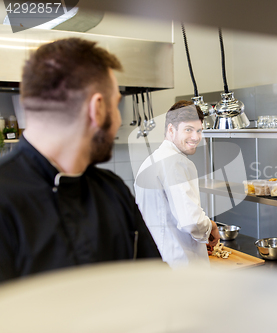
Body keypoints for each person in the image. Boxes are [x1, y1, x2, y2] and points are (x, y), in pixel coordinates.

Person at [0, 38, 161, 283]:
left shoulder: (112, 190)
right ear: (97, 109)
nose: (118, 120)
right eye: (116, 105)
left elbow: (156, 284)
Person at [134, 100, 220, 269]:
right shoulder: (176, 162)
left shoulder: (151, 161)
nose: (196, 137)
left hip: (158, 261)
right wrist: (211, 227)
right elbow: (191, 221)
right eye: (188, 130)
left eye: (199, 131)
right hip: (182, 264)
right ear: (171, 130)